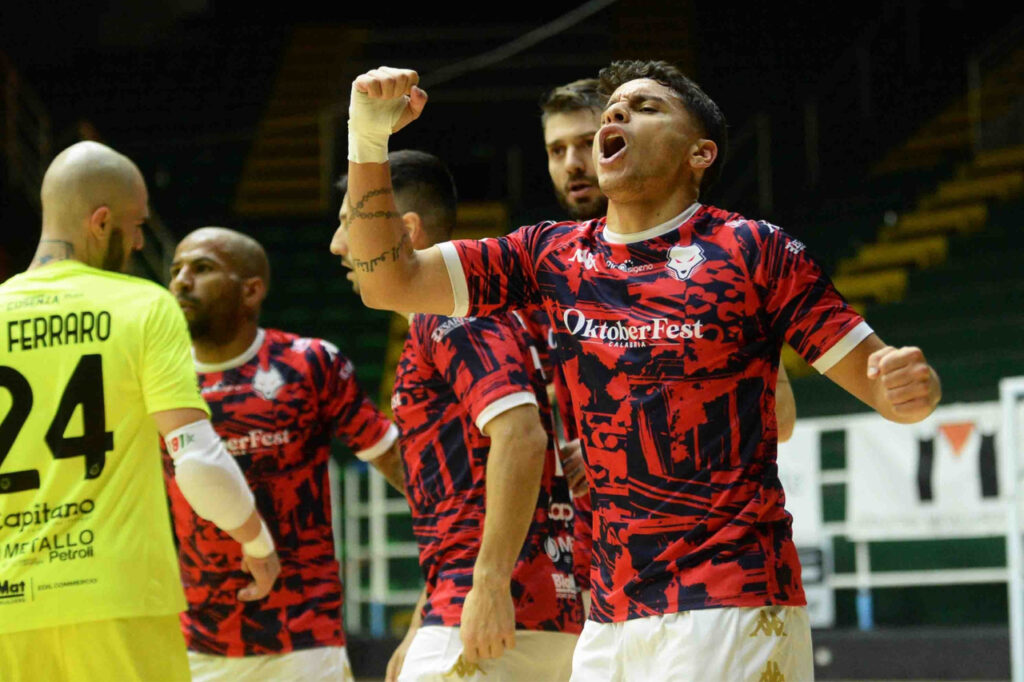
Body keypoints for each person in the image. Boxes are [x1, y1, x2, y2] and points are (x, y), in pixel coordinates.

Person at [333, 61, 943, 681]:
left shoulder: (755, 249)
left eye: (647, 107)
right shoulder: (551, 254)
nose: (618, 113)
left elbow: (888, 390)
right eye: (614, 108)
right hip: (609, 614)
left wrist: (910, 388)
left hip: (731, 597)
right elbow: (388, 282)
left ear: (700, 153)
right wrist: (367, 137)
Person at [0, 141, 279, 682]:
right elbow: (196, 459)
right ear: (101, 221)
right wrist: (255, 541)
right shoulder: (144, 305)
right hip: (118, 596)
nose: (139, 242)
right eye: (135, 226)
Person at [333, 150, 585, 681]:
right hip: (515, 605)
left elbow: (521, 437)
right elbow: (466, 496)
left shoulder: (449, 312)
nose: (337, 245)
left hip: (494, 610)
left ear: (406, 231)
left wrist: (487, 586)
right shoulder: (468, 318)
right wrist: (423, 617)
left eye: (348, 224)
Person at [166, 227, 403, 682]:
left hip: (305, 636)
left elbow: (397, 462)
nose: (181, 281)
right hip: (198, 641)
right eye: (176, 269)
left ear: (251, 290)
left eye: (202, 268)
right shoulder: (163, 380)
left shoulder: (309, 363)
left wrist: (458, 551)